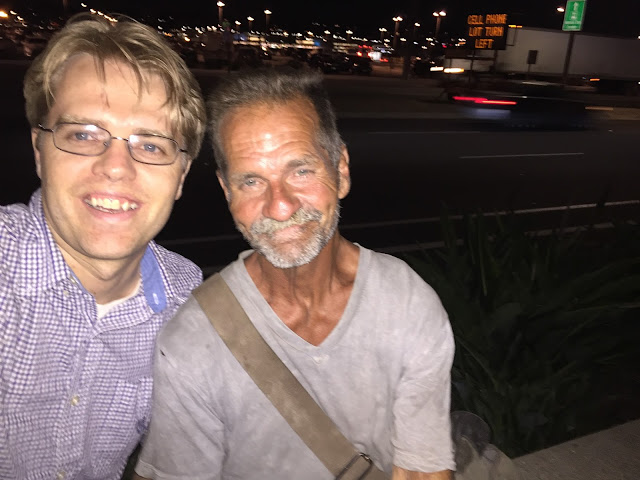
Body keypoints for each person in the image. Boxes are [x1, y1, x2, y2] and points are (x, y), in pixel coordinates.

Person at [135, 68, 455, 479]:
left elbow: (422, 470)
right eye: (251, 181)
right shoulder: (193, 342)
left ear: (340, 170)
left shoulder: (405, 303)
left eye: (301, 171)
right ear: (227, 191)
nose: (280, 206)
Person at [0, 13, 206, 480]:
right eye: (83, 135)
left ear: (182, 176)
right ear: (39, 150)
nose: (116, 166)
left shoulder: (186, 304)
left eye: (150, 145)